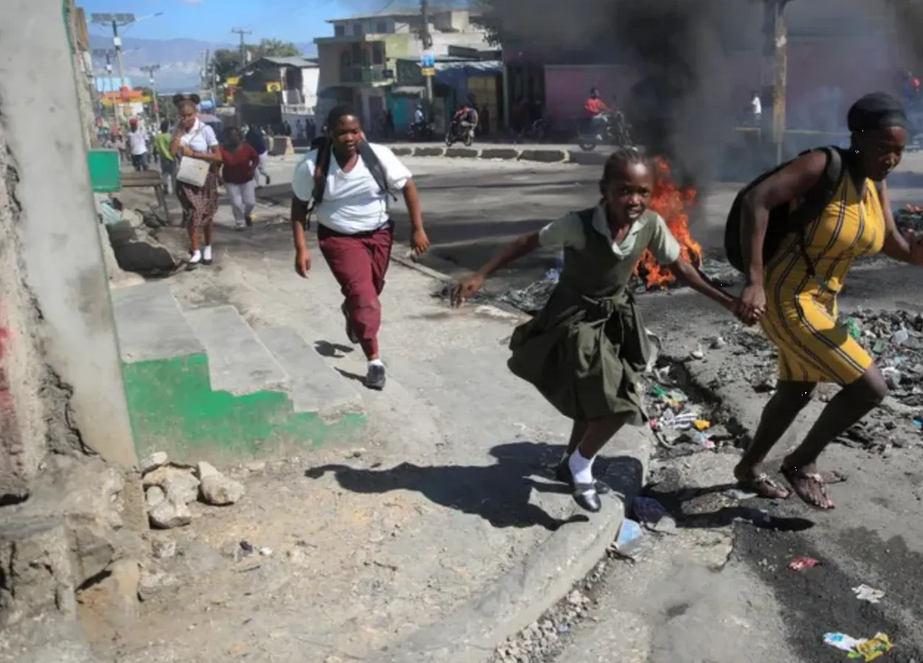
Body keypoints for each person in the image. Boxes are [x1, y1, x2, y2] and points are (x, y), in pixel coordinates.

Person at [451, 148, 739, 512]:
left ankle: (568, 462)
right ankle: (581, 465)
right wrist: (481, 274)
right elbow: (526, 242)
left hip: (615, 318)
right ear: (605, 189)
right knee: (620, 406)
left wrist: (727, 301)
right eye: (624, 190)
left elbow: (681, 269)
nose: (634, 200)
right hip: (574, 318)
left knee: (593, 403)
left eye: (643, 192)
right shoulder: (579, 224)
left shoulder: (650, 224)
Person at [732, 93, 923, 509]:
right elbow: (756, 200)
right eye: (884, 147)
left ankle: (748, 467)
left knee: (798, 387)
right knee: (870, 387)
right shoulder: (822, 165)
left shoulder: (874, 185)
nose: (891, 158)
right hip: (786, 294)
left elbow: (891, 242)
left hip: (822, 300)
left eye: (900, 151)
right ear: (858, 137)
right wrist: (754, 280)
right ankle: (801, 462)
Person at [290, 106, 431, 391]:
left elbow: (408, 186)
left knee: (371, 289)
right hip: (339, 239)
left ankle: (351, 311)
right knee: (365, 297)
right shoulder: (312, 165)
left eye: (355, 131)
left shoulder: (378, 156)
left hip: (379, 235)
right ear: (329, 133)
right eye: (343, 132)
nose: (350, 137)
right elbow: (298, 207)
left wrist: (417, 228)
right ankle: (374, 362)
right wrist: (301, 247)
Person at [170, 97, 222, 269]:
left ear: (195, 113)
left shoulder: (206, 130)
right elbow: (171, 153)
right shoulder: (178, 130)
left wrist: (193, 154)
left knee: (206, 214)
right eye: (182, 116)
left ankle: (207, 247)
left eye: (188, 115)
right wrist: (178, 134)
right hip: (186, 178)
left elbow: (217, 156)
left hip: (204, 176)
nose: (185, 119)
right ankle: (195, 250)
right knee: (193, 213)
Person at [219, 127, 261, 230]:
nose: (234, 138)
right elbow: (216, 164)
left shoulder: (247, 148)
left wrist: (252, 169)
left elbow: (256, 158)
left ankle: (247, 215)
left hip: (246, 178)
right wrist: (218, 177)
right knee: (236, 203)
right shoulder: (222, 149)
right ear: (227, 137)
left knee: (250, 202)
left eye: (236, 135)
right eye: (231, 136)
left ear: (240, 136)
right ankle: (240, 222)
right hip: (230, 180)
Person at [153, 120, 176, 194]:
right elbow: (174, 146)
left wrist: (155, 157)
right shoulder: (170, 136)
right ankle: (174, 189)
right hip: (171, 157)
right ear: (167, 128)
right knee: (173, 174)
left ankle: (165, 188)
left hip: (162, 158)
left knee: (164, 174)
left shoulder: (158, 137)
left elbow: (155, 148)